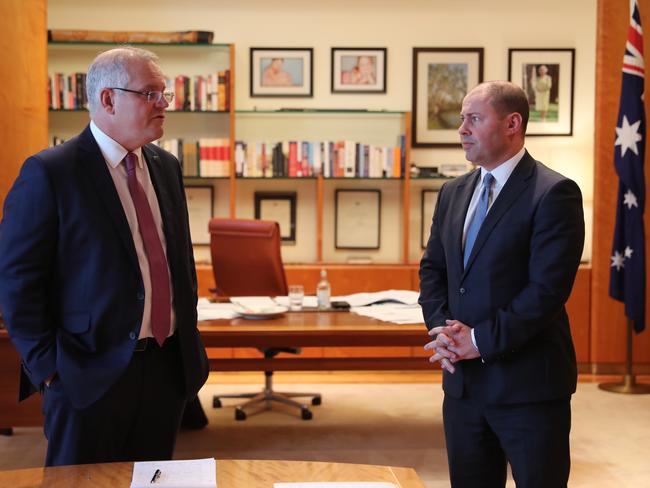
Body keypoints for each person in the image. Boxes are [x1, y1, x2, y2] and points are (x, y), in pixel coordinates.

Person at [0, 47, 209, 466]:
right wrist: (49, 369)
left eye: (164, 93)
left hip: (167, 368)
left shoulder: (165, 167)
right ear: (108, 99)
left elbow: (179, 262)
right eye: (150, 93)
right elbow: (16, 281)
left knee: (152, 478)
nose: (164, 104)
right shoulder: (50, 172)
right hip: (85, 370)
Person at [419, 81, 584, 488]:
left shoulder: (554, 193)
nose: (461, 129)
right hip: (462, 388)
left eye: (473, 119)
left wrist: (477, 340)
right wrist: (442, 330)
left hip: (528, 388)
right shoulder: (452, 192)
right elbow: (432, 271)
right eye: (461, 119)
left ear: (512, 123)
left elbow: (546, 292)